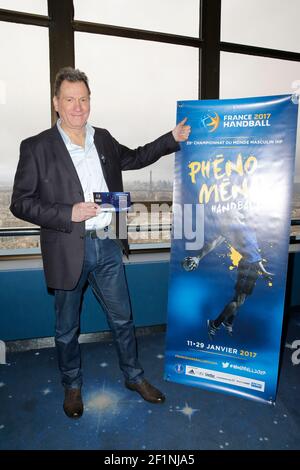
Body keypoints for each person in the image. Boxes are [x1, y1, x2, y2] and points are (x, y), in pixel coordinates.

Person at [10, 67, 191, 418]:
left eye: (83, 99)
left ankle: (134, 377)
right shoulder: (36, 147)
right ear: (56, 104)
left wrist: (171, 137)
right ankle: (72, 386)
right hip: (67, 246)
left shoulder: (103, 138)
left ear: (89, 101)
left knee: (123, 318)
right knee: (66, 329)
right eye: (69, 100)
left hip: (107, 243)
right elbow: (20, 202)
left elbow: (137, 157)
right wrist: (68, 212)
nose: (77, 107)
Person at [181, 209, 273, 340]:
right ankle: (214, 324)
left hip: (253, 266)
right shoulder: (231, 229)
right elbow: (213, 242)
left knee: (242, 299)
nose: (240, 214)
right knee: (237, 302)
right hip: (247, 266)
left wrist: (263, 271)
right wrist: (198, 257)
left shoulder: (247, 225)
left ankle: (228, 322)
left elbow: (255, 254)